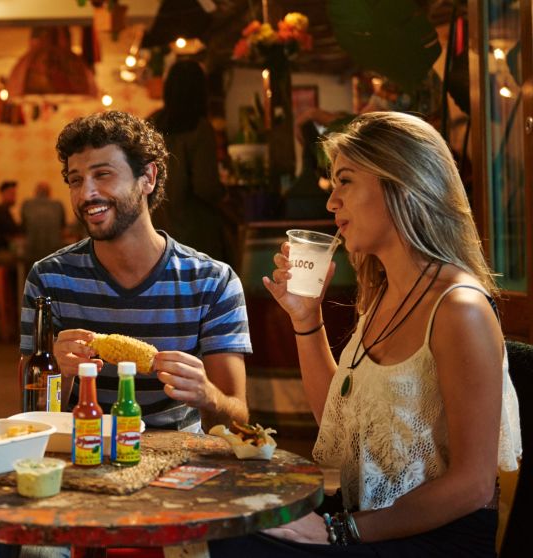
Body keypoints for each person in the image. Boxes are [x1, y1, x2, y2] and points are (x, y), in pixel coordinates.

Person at [210, 111, 521, 556]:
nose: (331, 202)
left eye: (346, 181)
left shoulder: (459, 309)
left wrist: (340, 530)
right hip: (368, 520)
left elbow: (472, 486)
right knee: (222, 527)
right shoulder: (385, 295)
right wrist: (306, 319)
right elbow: (336, 422)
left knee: (231, 549)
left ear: (402, 183)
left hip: (432, 539)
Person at [22, 110, 251, 432]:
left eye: (103, 174)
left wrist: (209, 396)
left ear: (148, 177)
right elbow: (32, 415)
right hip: (82, 449)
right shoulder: (48, 279)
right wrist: (62, 372)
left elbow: (238, 421)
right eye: (76, 180)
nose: (87, 194)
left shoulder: (213, 282)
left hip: (181, 457)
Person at [148, 60, 229, 262]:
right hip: (194, 230)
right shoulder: (200, 129)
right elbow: (206, 186)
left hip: (155, 226)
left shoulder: (150, 123)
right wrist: (224, 196)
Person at [20, 181, 66, 271]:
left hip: (32, 253)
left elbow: (23, 227)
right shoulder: (58, 205)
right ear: (49, 192)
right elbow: (62, 227)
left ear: (35, 192)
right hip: (54, 253)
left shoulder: (27, 204)